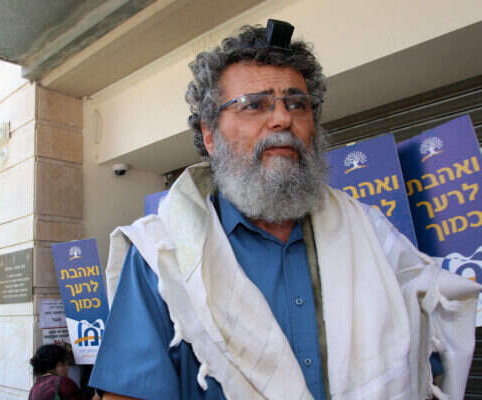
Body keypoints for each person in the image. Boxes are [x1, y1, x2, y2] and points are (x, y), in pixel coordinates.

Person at [89, 20, 480, 400]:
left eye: (297, 103)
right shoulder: (162, 257)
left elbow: (419, 366)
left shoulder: (372, 235)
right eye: (254, 105)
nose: (282, 119)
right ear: (210, 135)